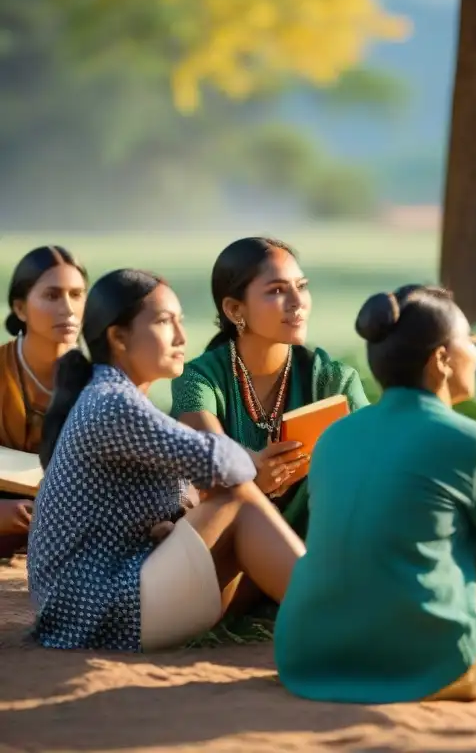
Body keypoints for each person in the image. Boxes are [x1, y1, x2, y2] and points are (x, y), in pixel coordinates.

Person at [274, 285, 476, 703]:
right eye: (470, 341)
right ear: (442, 359)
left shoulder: (333, 438)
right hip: (429, 664)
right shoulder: (469, 440)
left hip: (306, 657)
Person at [27, 269, 305, 651]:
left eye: (180, 320)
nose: (181, 336)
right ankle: (340, 617)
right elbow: (224, 464)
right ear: (118, 337)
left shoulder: (119, 397)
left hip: (107, 603)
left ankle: (331, 612)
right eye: (163, 321)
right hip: (94, 614)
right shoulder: (113, 403)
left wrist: (183, 515)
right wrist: (250, 461)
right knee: (239, 496)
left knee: (230, 499)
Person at [171, 236, 369, 541]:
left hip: (320, 551)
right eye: (277, 290)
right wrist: (251, 481)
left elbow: (376, 464)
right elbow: (211, 453)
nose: (297, 301)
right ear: (235, 309)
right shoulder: (197, 379)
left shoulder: (335, 382)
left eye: (301, 286)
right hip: (226, 554)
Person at [1, 246, 87, 557]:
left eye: (77, 295)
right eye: (53, 296)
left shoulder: (102, 382)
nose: (68, 308)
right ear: (20, 309)